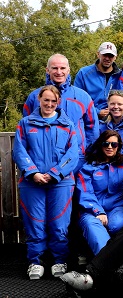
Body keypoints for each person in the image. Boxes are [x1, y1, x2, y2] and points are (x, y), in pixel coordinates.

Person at [13, 85, 81, 279]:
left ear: (58, 102)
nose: (49, 104)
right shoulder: (25, 124)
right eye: (46, 100)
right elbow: (19, 150)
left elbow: (72, 154)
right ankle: (36, 261)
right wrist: (33, 173)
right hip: (31, 183)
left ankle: (59, 260)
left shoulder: (67, 125)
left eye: (53, 101)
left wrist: (55, 173)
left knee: (59, 223)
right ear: (39, 100)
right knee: (34, 222)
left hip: (61, 182)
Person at [76, 130, 123, 255]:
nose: (110, 147)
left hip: (118, 206)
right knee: (93, 225)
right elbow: (85, 193)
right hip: (91, 210)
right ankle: (106, 263)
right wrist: (98, 211)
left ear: (119, 146)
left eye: (114, 144)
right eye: (106, 144)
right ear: (100, 145)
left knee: (117, 225)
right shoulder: (88, 167)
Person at [24, 54, 98, 149]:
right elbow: (27, 126)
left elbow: (92, 128)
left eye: (62, 68)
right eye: (55, 68)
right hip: (44, 157)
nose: (59, 72)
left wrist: (87, 151)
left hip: (77, 157)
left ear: (68, 70)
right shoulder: (34, 97)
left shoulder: (82, 97)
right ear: (47, 70)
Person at [74, 41, 122, 116]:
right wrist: (97, 112)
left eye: (110, 56)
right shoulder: (84, 73)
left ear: (115, 57)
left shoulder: (121, 75)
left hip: (115, 116)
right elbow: (77, 98)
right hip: (89, 116)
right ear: (98, 54)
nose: (107, 58)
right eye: (104, 55)